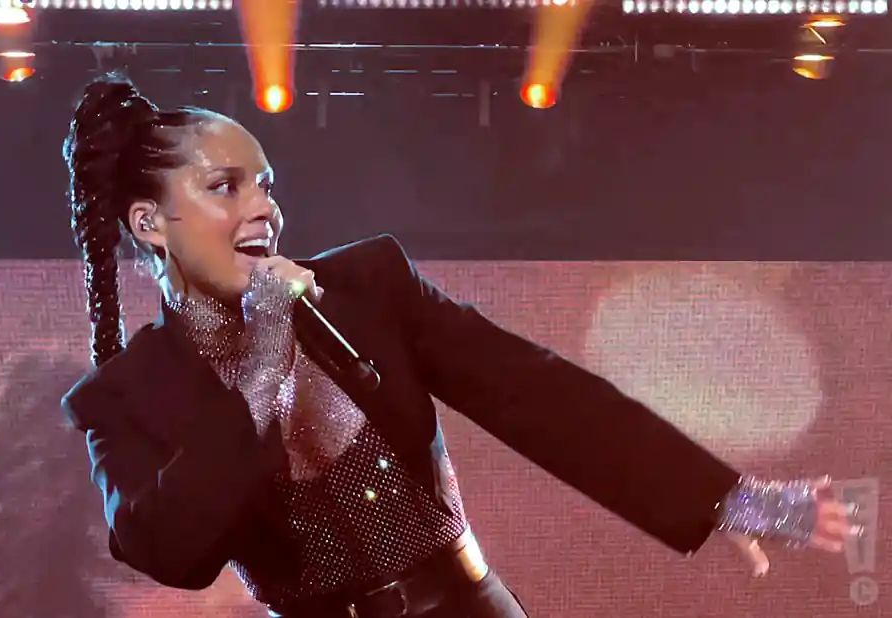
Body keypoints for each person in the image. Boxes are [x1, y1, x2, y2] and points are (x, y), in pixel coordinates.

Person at [60, 73, 857, 618]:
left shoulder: (369, 287)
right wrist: (266, 353)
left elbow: (538, 393)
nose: (263, 209)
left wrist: (723, 496)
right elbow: (169, 549)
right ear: (147, 223)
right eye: (224, 187)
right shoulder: (124, 395)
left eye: (267, 183)